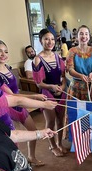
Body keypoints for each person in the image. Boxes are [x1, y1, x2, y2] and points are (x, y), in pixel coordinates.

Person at [0, 40, 48, 166]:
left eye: (6, 51)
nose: (3, 54)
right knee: (14, 138)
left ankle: (31, 156)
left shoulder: (7, 67)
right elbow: (12, 96)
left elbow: (17, 90)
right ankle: (16, 164)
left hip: (19, 105)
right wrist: (35, 96)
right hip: (9, 107)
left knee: (32, 130)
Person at [32, 28, 67, 157]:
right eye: (46, 39)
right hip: (47, 94)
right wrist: (51, 87)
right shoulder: (38, 59)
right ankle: (52, 146)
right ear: (41, 41)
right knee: (50, 122)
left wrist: (62, 87)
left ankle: (59, 143)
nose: (50, 42)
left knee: (60, 120)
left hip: (60, 92)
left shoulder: (57, 56)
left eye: (52, 39)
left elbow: (63, 77)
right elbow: (38, 83)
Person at [66, 25, 92, 101]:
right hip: (76, 87)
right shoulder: (72, 51)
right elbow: (70, 69)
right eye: (81, 34)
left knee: (90, 110)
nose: (84, 36)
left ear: (89, 36)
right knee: (77, 110)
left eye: (86, 34)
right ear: (77, 36)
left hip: (90, 86)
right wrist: (80, 75)